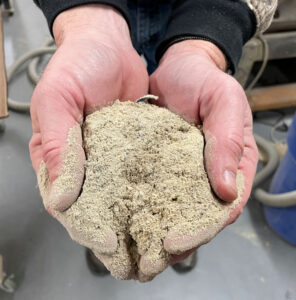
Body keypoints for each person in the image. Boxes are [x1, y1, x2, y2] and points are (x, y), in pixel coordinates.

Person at [30, 0, 277, 278]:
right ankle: (108, 236)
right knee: (79, 175)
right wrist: (87, 22)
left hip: (196, 11)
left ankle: (179, 235)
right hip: (95, 18)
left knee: (208, 153)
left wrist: (205, 43)